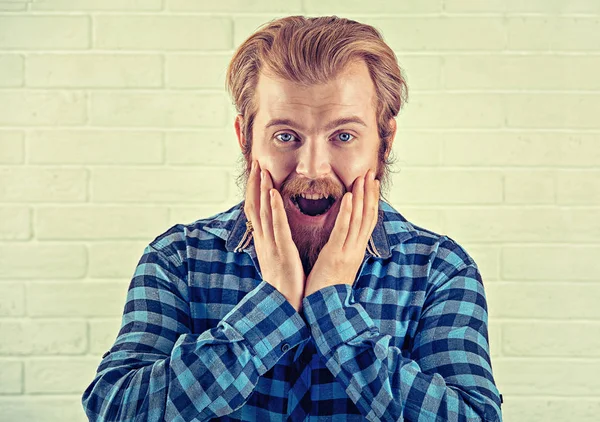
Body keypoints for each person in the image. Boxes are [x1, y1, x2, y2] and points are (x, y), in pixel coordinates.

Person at [82, 15, 503, 421]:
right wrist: (274, 304)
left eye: (343, 136)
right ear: (246, 139)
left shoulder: (440, 271)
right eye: (286, 136)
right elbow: (116, 409)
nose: (313, 169)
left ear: (384, 141)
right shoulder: (179, 259)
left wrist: (332, 307)